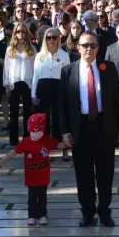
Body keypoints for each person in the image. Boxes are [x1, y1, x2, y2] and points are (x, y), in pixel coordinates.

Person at [58, 32, 119, 228]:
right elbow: (62, 105)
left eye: (93, 45)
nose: (89, 48)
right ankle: (87, 212)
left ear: (99, 48)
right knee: (83, 174)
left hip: (104, 126)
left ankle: (105, 212)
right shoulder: (68, 71)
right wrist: (64, 132)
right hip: (80, 129)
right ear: (78, 47)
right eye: (85, 45)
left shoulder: (108, 68)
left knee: (106, 173)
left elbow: (118, 100)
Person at [0, 113, 59, 226]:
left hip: (43, 175)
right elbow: (15, 151)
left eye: (38, 132)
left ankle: (42, 215)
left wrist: (68, 143)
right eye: (33, 132)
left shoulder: (47, 140)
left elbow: (58, 145)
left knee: (42, 195)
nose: (35, 135)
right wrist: (3, 159)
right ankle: (31, 215)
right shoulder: (26, 141)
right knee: (32, 196)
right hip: (31, 175)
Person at [32, 27, 70, 160]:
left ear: (58, 38)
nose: (51, 40)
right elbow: (35, 76)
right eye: (48, 38)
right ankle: (45, 149)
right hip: (43, 87)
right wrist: (33, 94)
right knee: (44, 119)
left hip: (58, 87)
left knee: (59, 118)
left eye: (54, 37)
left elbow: (67, 76)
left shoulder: (64, 55)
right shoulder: (40, 55)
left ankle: (64, 149)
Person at [4, 23, 36, 145]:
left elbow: (35, 68)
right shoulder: (10, 49)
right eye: (18, 32)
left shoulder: (32, 48)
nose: (20, 34)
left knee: (28, 111)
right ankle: (13, 140)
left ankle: (27, 138)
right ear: (14, 33)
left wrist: (35, 84)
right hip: (14, 82)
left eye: (23, 31)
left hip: (28, 82)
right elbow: (6, 68)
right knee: (14, 112)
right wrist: (6, 84)